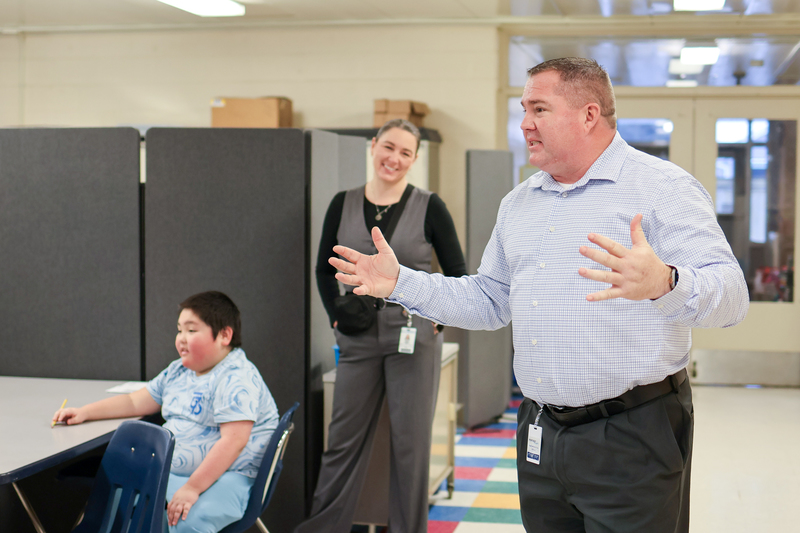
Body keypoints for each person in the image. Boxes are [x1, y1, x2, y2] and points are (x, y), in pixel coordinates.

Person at [329, 58, 749, 533]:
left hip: (634, 433)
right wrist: (400, 283)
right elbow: (489, 300)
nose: (525, 123)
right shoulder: (519, 204)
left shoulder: (663, 188)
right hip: (540, 435)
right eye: (523, 109)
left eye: (539, 109)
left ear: (589, 115)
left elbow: (733, 296)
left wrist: (666, 282)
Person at [295, 119, 467, 533]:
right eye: (389, 147)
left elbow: (458, 275)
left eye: (406, 152)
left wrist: (436, 321)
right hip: (356, 340)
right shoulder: (343, 202)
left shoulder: (430, 206)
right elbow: (322, 269)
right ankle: (324, 528)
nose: (395, 158)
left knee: (410, 447)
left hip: (412, 340)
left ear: (415, 159)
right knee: (343, 442)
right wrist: (336, 315)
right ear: (373, 146)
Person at [53, 291, 279, 533]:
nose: (181, 338)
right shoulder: (179, 370)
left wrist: (192, 488)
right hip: (172, 472)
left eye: (191, 331)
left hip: (229, 476)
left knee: (188, 522)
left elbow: (233, 442)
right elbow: (134, 402)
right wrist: (85, 412)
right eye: (179, 330)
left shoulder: (236, 377)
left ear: (224, 335)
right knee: (119, 503)